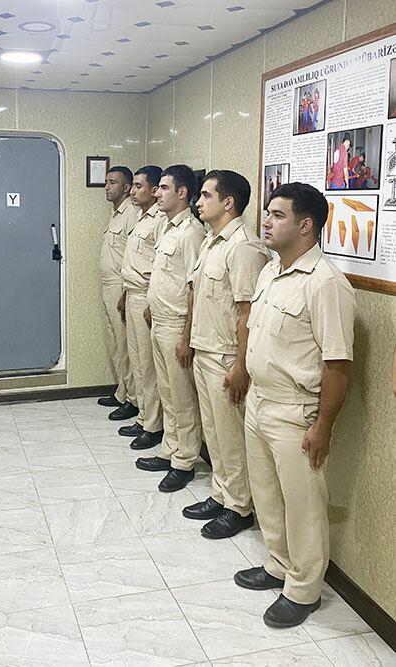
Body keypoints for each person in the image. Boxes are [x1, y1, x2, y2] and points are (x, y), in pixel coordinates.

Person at [234, 182, 356, 629]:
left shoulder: (326, 283)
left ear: (306, 225)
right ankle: (278, 565)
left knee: (303, 505)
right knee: (267, 494)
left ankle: (304, 590)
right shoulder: (271, 271)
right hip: (260, 402)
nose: (266, 221)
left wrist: (323, 426)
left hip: (295, 410)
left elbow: (338, 365)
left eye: (277, 215)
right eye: (267, 213)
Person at [183, 170, 270, 539]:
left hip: (225, 356)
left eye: (206, 195)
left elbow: (248, 312)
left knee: (231, 436)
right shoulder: (211, 241)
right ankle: (221, 494)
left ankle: (239, 507)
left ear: (228, 202)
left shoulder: (244, 247)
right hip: (205, 349)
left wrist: (240, 365)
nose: (198, 202)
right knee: (215, 432)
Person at [135, 165, 206, 492]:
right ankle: (169, 448)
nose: (157, 193)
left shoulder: (192, 233)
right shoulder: (167, 226)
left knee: (182, 398)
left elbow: (193, 288)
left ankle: (185, 460)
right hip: (159, 321)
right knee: (167, 392)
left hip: (177, 325)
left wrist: (187, 336)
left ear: (182, 193)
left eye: (164, 188)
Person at [117, 165, 165, 449]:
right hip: (132, 293)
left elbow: (158, 267)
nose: (133, 192)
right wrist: (125, 294)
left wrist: (149, 301)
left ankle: (153, 425)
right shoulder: (141, 217)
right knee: (137, 360)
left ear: (155, 189)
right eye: (132, 186)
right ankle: (144, 416)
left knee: (148, 366)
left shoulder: (160, 221)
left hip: (146, 296)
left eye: (138, 186)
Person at [97, 166, 139, 421]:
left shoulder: (131, 214)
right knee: (115, 343)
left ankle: (132, 399)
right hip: (108, 286)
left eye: (113, 182)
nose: (107, 187)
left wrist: (125, 292)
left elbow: (133, 257)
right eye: (106, 182)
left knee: (125, 346)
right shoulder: (116, 214)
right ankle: (122, 392)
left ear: (126, 187)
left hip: (120, 287)